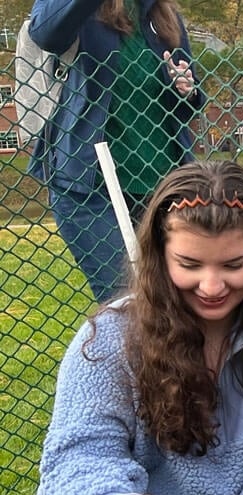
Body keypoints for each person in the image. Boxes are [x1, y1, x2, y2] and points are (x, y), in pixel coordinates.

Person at [29, 160, 243, 495]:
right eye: (189, 264)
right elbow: (78, 452)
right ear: (160, 255)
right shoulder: (110, 338)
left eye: (234, 265)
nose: (211, 286)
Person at [26, 0, 205, 304]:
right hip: (90, 187)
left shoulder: (163, 16)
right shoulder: (82, 13)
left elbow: (186, 105)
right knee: (130, 303)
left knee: (182, 300)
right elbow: (46, 34)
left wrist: (187, 89)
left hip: (164, 185)